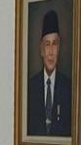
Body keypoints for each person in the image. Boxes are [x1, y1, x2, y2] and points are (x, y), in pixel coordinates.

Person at [26, 9, 72, 137]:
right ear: (41, 49)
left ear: (60, 47)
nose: (51, 52)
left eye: (54, 44)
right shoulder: (30, 87)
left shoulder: (68, 87)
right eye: (47, 45)